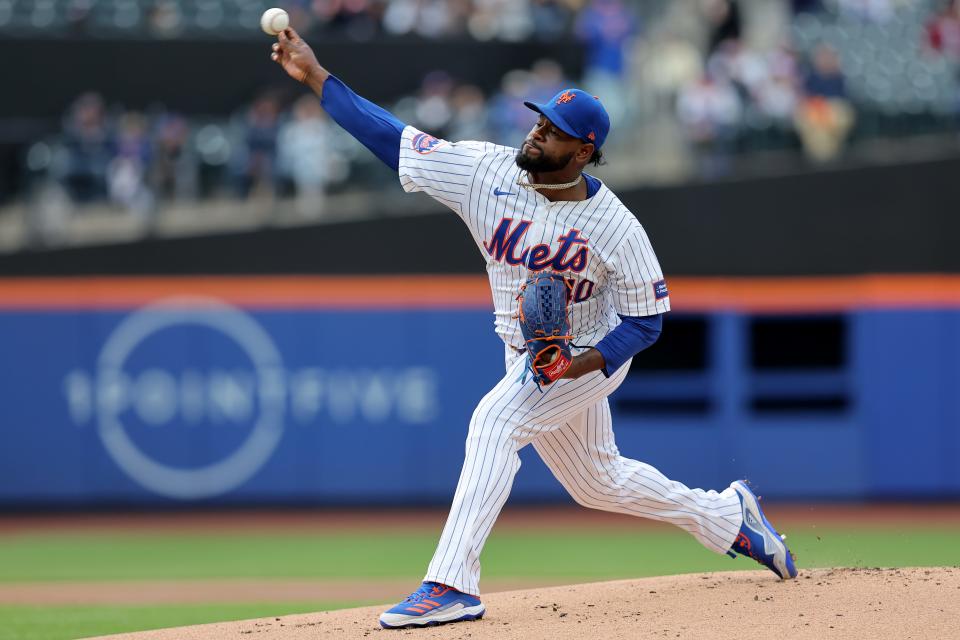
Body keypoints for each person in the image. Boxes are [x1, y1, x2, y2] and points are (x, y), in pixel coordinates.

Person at [269, 27, 798, 630]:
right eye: (538, 121)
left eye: (551, 131)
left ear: (582, 151)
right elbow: (392, 140)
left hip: (584, 352)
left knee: (494, 423)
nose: (536, 132)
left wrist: (574, 365)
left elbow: (647, 321)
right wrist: (315, 75)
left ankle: (450, 585)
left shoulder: (615, 227)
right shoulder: (485, 174)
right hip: (526, 350)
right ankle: (729, 516)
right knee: (598, 481)